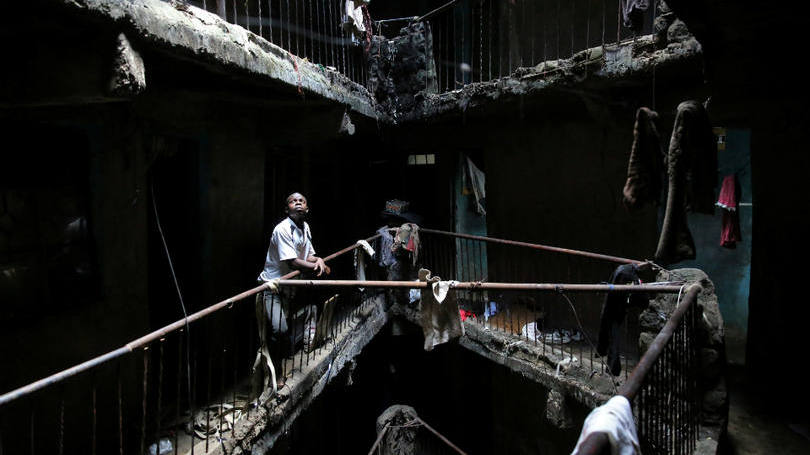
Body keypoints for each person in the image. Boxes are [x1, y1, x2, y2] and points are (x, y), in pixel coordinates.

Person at [254, 192, 330, 389]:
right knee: (279, 329)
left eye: (301, 201)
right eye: (293, 201)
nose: (297, 202)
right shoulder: (282, 229)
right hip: (272, 287)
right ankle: (275, 373)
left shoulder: (305, 228)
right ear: (286, 209)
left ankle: (272, 366)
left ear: (307, 209)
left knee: (281, 330)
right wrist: (316, 267)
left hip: (289, 287)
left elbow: (309, 255)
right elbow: (293, 261)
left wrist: (319, 260)